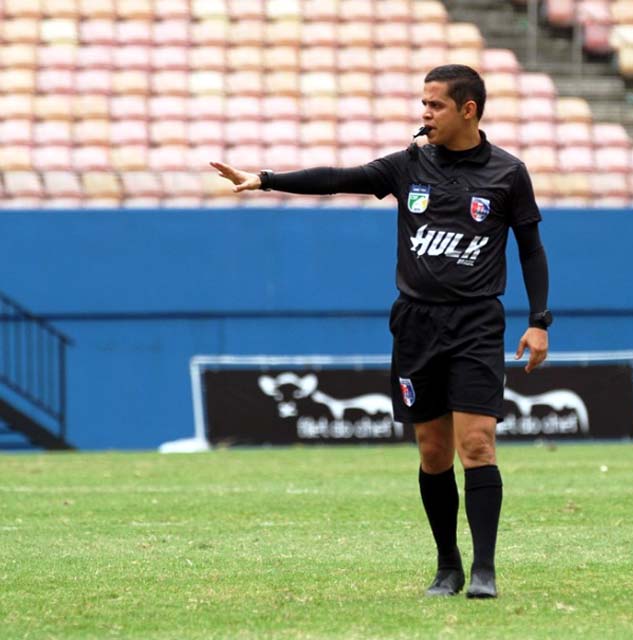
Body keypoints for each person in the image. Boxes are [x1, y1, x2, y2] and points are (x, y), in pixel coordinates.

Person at [210, 65, 551, 599]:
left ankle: (484, 569)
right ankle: (448, 565)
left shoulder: (508, 173)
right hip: (416, 324)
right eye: (423, 104)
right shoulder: (408, 166)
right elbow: (338, 177)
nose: (424, 113)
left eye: (435, 105)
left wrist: (538, 321)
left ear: (468, 110)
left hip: (477, 323)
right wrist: (268, 180)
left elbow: (530, 249)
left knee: (478, 445)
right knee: (433, 452)